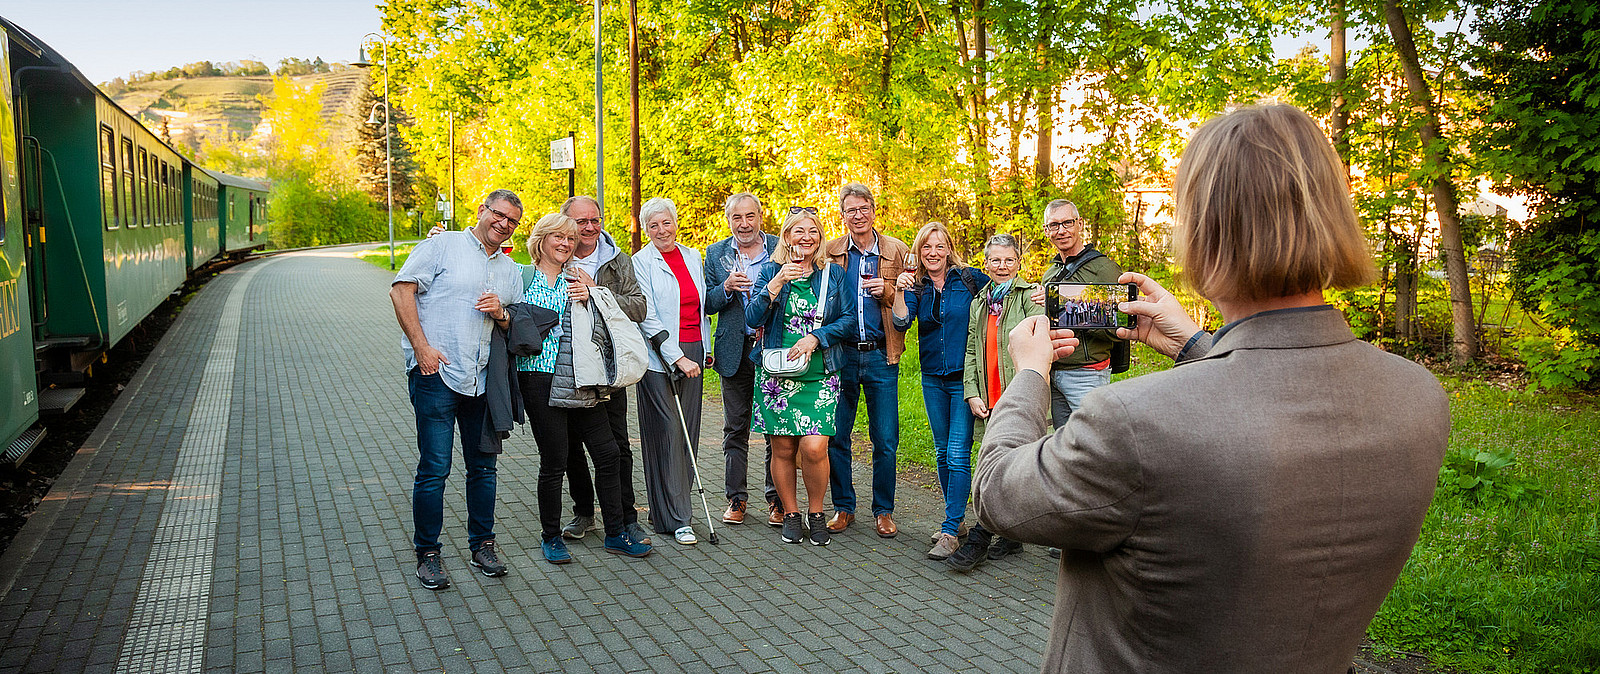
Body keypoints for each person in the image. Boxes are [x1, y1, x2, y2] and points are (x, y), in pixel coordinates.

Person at [973, 104, 1449, 672]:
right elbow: (1265, 408)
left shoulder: (1132, 421)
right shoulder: (1417, 397)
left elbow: (999, 495)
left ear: (1201, 234)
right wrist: (1195, 345)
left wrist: (1029, 372)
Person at [390, 189, 524, 590]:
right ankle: (427, 554)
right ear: (481, 211)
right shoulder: (442, 246)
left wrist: (501, 313)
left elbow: (514, 323)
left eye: (512, 221)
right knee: (434, 469)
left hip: (482, 381)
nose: (503, 224)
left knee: (483, 469)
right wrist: (422, 348)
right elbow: (401, 290)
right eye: (498, 215)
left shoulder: (509, 269)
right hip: (437, 375)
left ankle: (483, 545)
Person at [516, 213, 653, 563]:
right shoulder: (522, 278)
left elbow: (605, 321)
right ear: (541, 240)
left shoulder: (577, 278)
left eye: (570, 239)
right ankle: (550, 536)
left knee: (608, 455)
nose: (565, 244)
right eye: (558, 238)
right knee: (555, 460)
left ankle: (616, 532)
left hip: (581, 378)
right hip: (539, 379)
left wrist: (595, 292)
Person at [747, 208, 857, 546]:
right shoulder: (769, 270)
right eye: (798, 231)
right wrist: (776, 283)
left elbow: (850, 319)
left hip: (820, 371)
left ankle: (817, 512)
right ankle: (791, 514)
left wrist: (816, 337)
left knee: (814, 446)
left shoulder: (833, 275)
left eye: (812, 231)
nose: (805, 237)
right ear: (787, 237)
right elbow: (752, 318)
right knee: (781, 446)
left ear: (820, 237)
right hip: (777, 374)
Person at [890, 222, 989, 560]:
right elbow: (902, 322)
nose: (932, 253)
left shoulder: (970, 279)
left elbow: (1004, 292)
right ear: (918, 252)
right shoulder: (917, 288)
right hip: (933, 376)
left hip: (966, 379)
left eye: (939, 246)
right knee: (943, 452)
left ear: (949, 249)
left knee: (959, 452)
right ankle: (957, 520)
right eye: (926, 248)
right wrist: (900, 292)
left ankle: (949, 531)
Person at [557, 196, 652, 547]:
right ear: (566, 222)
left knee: (616, 445)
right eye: (580, 221)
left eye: (594, 220)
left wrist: (595, 291)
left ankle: (627, 516)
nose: (589, 228)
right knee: (570, 446)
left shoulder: (618, 261)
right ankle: (584, 512)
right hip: (569, 368)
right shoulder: (556, 254)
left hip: (611, 367)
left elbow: (639, 307)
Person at [945, 233, 1043, 572]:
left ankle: (979, 539)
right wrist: (972, 391)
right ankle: (1012, 534)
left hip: (1019, 395)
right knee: (999, 463)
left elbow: (1040, 343)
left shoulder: (1031, 297)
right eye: (995, 261)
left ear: (1018, 263)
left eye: (1009, 260)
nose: (1002, 266)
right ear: (986, 264)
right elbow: (972, 349)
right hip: (989, 394)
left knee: (1003, 466)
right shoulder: (980, 302)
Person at [822, 182, 911, 538]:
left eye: (863, 208)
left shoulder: (897, 251)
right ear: (842, 216)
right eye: (850, 211)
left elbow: (910, 306)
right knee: (837, 436)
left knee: (885, 439)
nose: (857, 216)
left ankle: (883, 510)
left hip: (881, 357)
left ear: (874, 210)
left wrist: (887, 291)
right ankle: (844, 507)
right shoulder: (830, 253)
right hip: (842, 356)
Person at [631, 197, 711, 545]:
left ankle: (668, 513)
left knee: (688, 435)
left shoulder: (693, 256)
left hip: (694, 350)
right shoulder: (641, 262)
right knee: (666, 431)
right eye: (653, 225)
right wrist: (676, 357)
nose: (661, 231)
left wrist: (701, 352)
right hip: (658, 357)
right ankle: (680, 517)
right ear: (645, 229)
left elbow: (702, 306)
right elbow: (646, 315)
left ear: (676, 223)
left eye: (666, 223)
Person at [703, 193, 781, 526]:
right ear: (729, 220)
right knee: (735, 428)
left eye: (750, 216)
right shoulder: (716, 253)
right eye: (737, 218)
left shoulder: (780, 247)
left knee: (775, 429)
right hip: (734, 350)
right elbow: (705, 302)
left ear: (761, 217)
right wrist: (726, 288)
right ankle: (736, 499)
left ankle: (776, 500)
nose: (744, 224)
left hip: (772, 349)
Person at [1027, 199, 1124, 428]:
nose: (1061, 230)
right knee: (1065, 448)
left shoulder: (1103, 269)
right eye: (1054, 225)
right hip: (1056, 371)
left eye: (1067, 222)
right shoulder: (1051, 273)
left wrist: (1065, 303)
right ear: (1046, 231)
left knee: (1096, 445)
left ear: (1080, 224)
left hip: (1087, 375)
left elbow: (1121, 326)